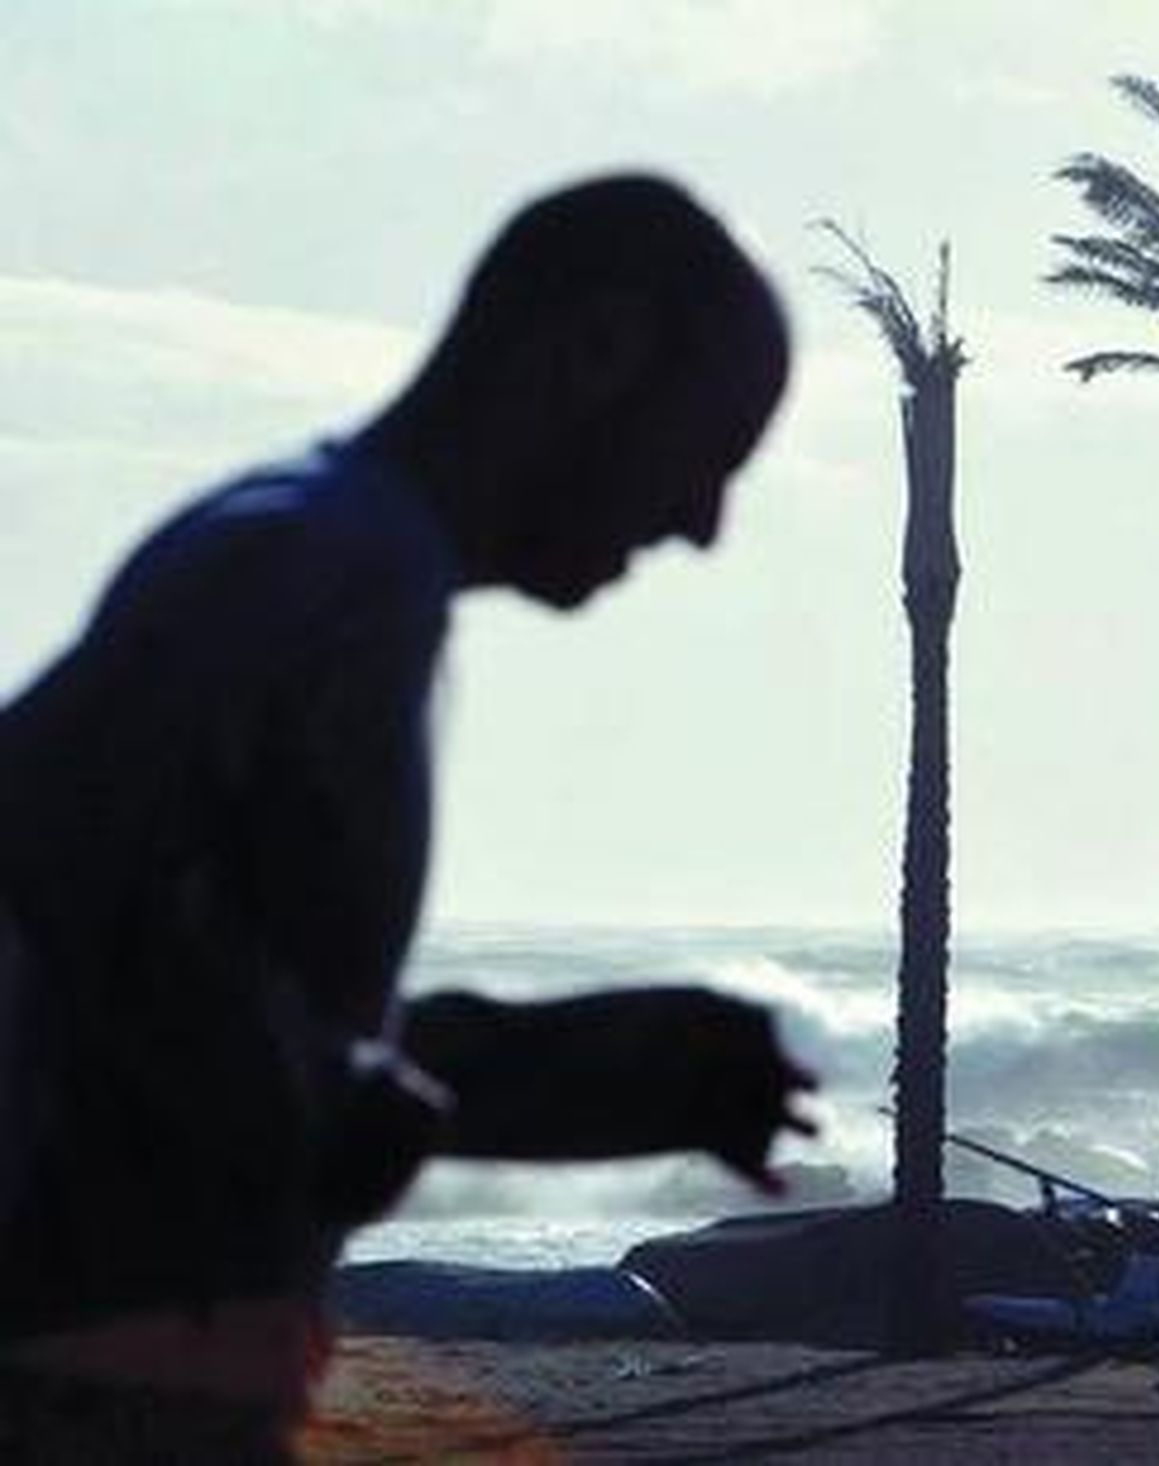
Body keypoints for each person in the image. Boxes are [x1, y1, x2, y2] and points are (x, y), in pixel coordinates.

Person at [0, 173, 810, 1461]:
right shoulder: (321, 566)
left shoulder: (348, 575)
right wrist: (320, 1092)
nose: (701, 525)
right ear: (594, 351)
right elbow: (43, 858)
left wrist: (607, 1072)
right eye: (708, 452)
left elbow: (208, 1014)